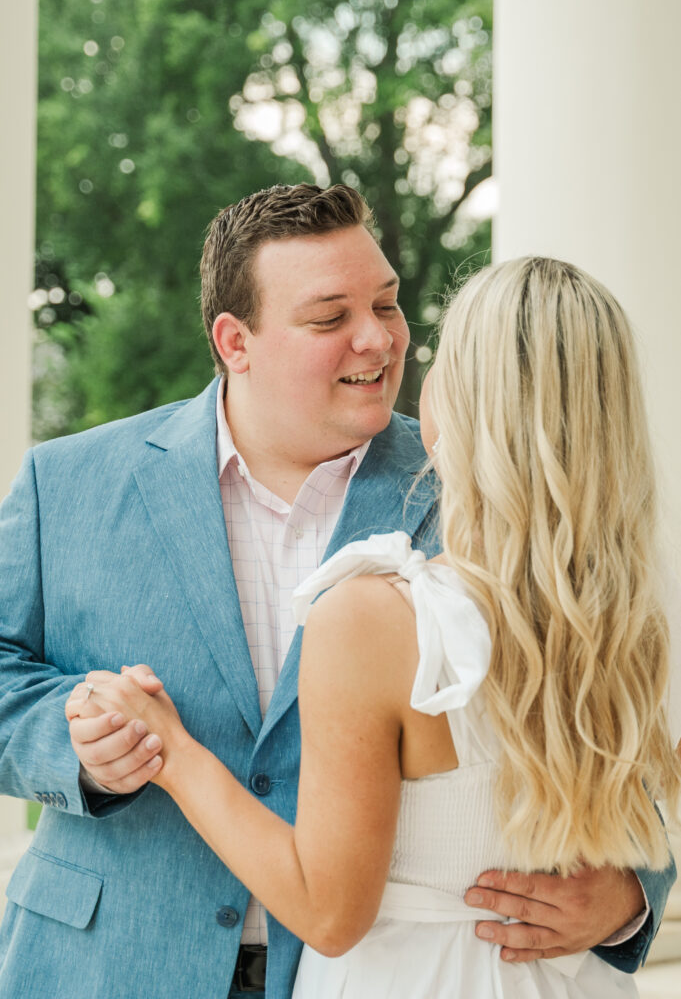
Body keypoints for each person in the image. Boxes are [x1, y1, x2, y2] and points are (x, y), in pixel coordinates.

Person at [0, 186, 672, 999]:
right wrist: (71, 746)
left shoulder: (487, 492)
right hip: (106, 965)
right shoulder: (66, 483)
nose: (379, 339)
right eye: (329, 318)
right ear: (234, 341)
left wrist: (632, 895)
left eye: (387, 305)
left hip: (359, 970)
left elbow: (601, 721)